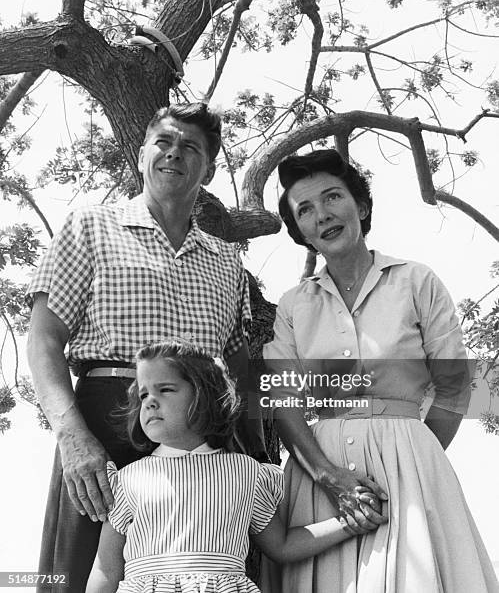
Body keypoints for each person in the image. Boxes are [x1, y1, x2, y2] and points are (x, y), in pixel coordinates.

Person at [26, 103, 267, 593]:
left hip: (202, 442)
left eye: (190, 148)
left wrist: (257, 454)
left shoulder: (228, 262)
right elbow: (44, 340)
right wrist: (73, 437)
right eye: (164, 142)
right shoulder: (89, 227)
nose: (174, 154)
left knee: (204, 572)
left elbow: (238, 369)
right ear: (141, 155)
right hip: (105, 420)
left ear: (210, 168)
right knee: (80, 577)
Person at [261, 149, 499, 592]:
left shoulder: (417, 280)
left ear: (362, 206)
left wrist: (414, 455)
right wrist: (327, 476)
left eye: (333, 197)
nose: (322, 215)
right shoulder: (294, 304)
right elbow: (283, 401)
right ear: (299, 231)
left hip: (410, 461)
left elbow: (457, 385)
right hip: (318, 473)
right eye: (305, 210)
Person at [85, 339, 379, 593]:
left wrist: (348, 523)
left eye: (165, 389)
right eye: (144, 394)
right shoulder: (127, 480)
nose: (149, 402)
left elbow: (283, 545)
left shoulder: (247, 474)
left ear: (204, 397)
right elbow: (106, 570)